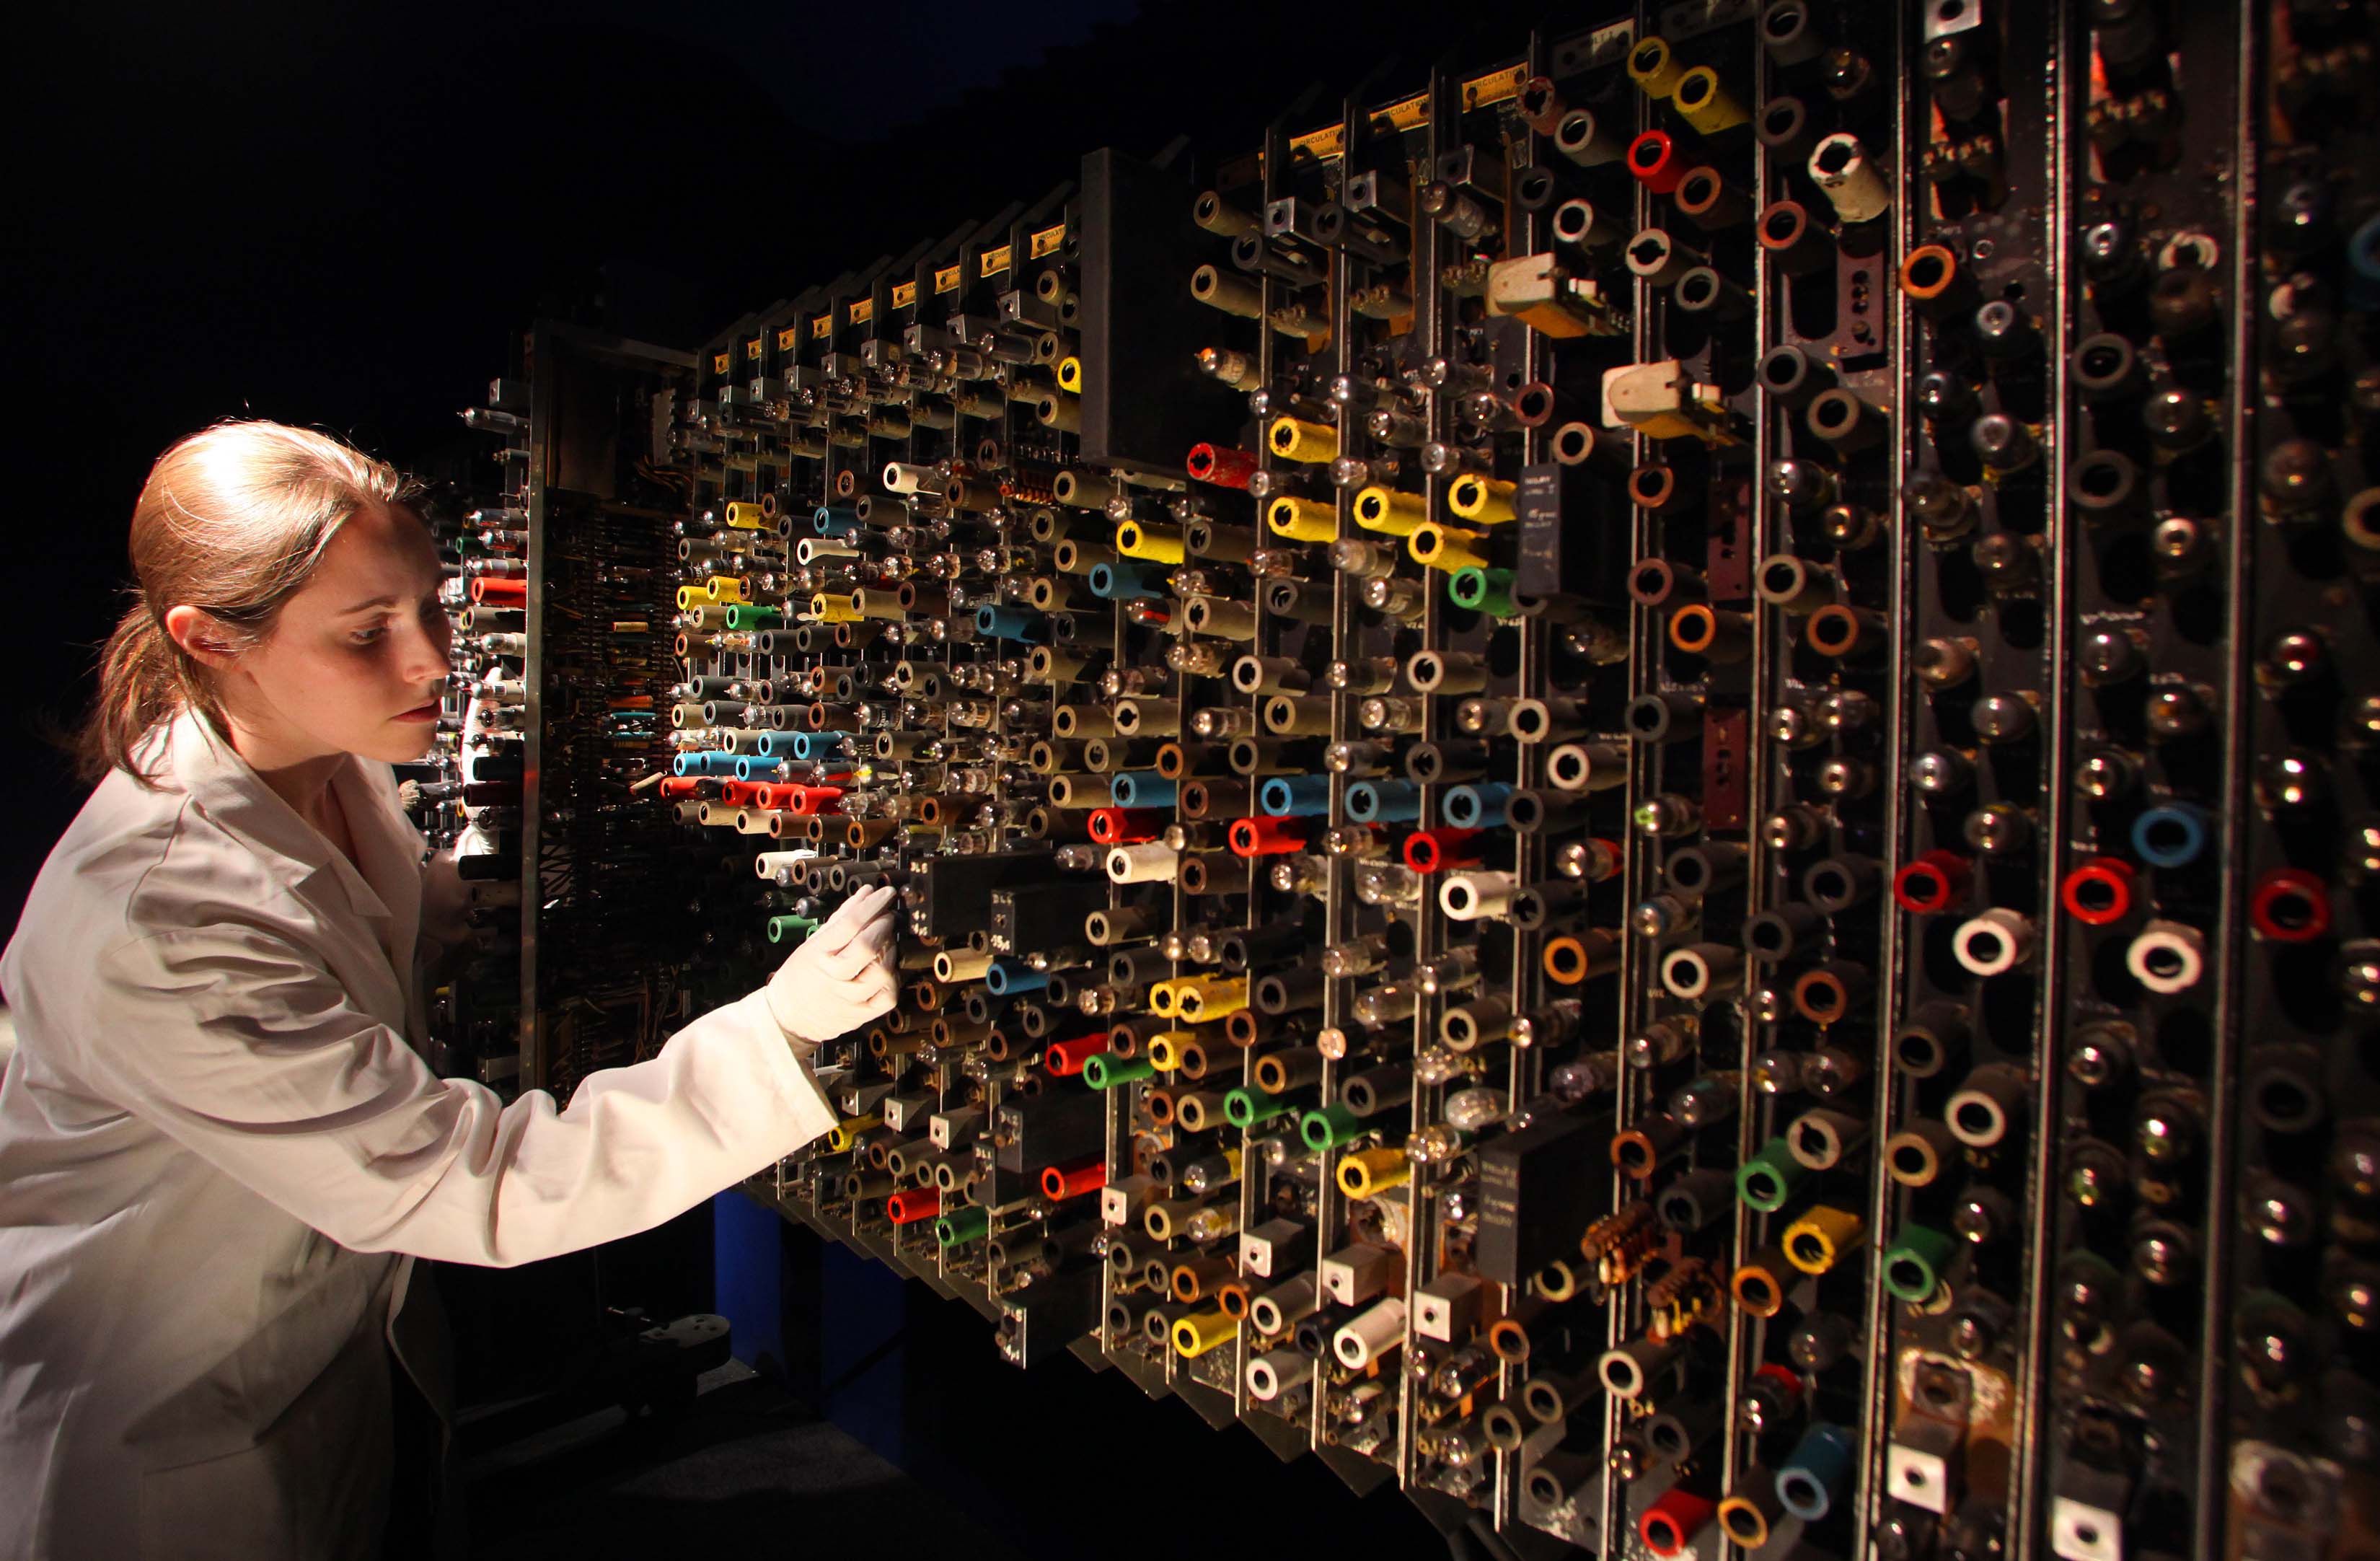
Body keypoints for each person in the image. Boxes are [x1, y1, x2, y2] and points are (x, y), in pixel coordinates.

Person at [0, 421, 899, 1559]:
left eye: (429, 605)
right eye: (368, 631)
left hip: (312, 1372)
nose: (432, 659)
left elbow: (321, 923)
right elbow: (476, 1185)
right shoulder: (158, 918)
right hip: (160, 1447)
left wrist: (421, 913)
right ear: (212, 640)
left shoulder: (324, 766)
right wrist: (778, 1032)